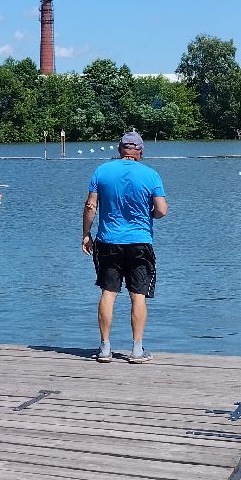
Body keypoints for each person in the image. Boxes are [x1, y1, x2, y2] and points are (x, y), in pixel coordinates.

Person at [82, 130, 168, 364]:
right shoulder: (151, 175)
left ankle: (105, 349)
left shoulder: (102, 171)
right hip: (140, 242)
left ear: (120, 149)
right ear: (140, 151)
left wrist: (86, 234)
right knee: (137, 295)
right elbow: (161, 210)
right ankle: (137, 351)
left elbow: (91, 206)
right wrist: (149, 214)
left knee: (108, 293)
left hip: (108, 241)